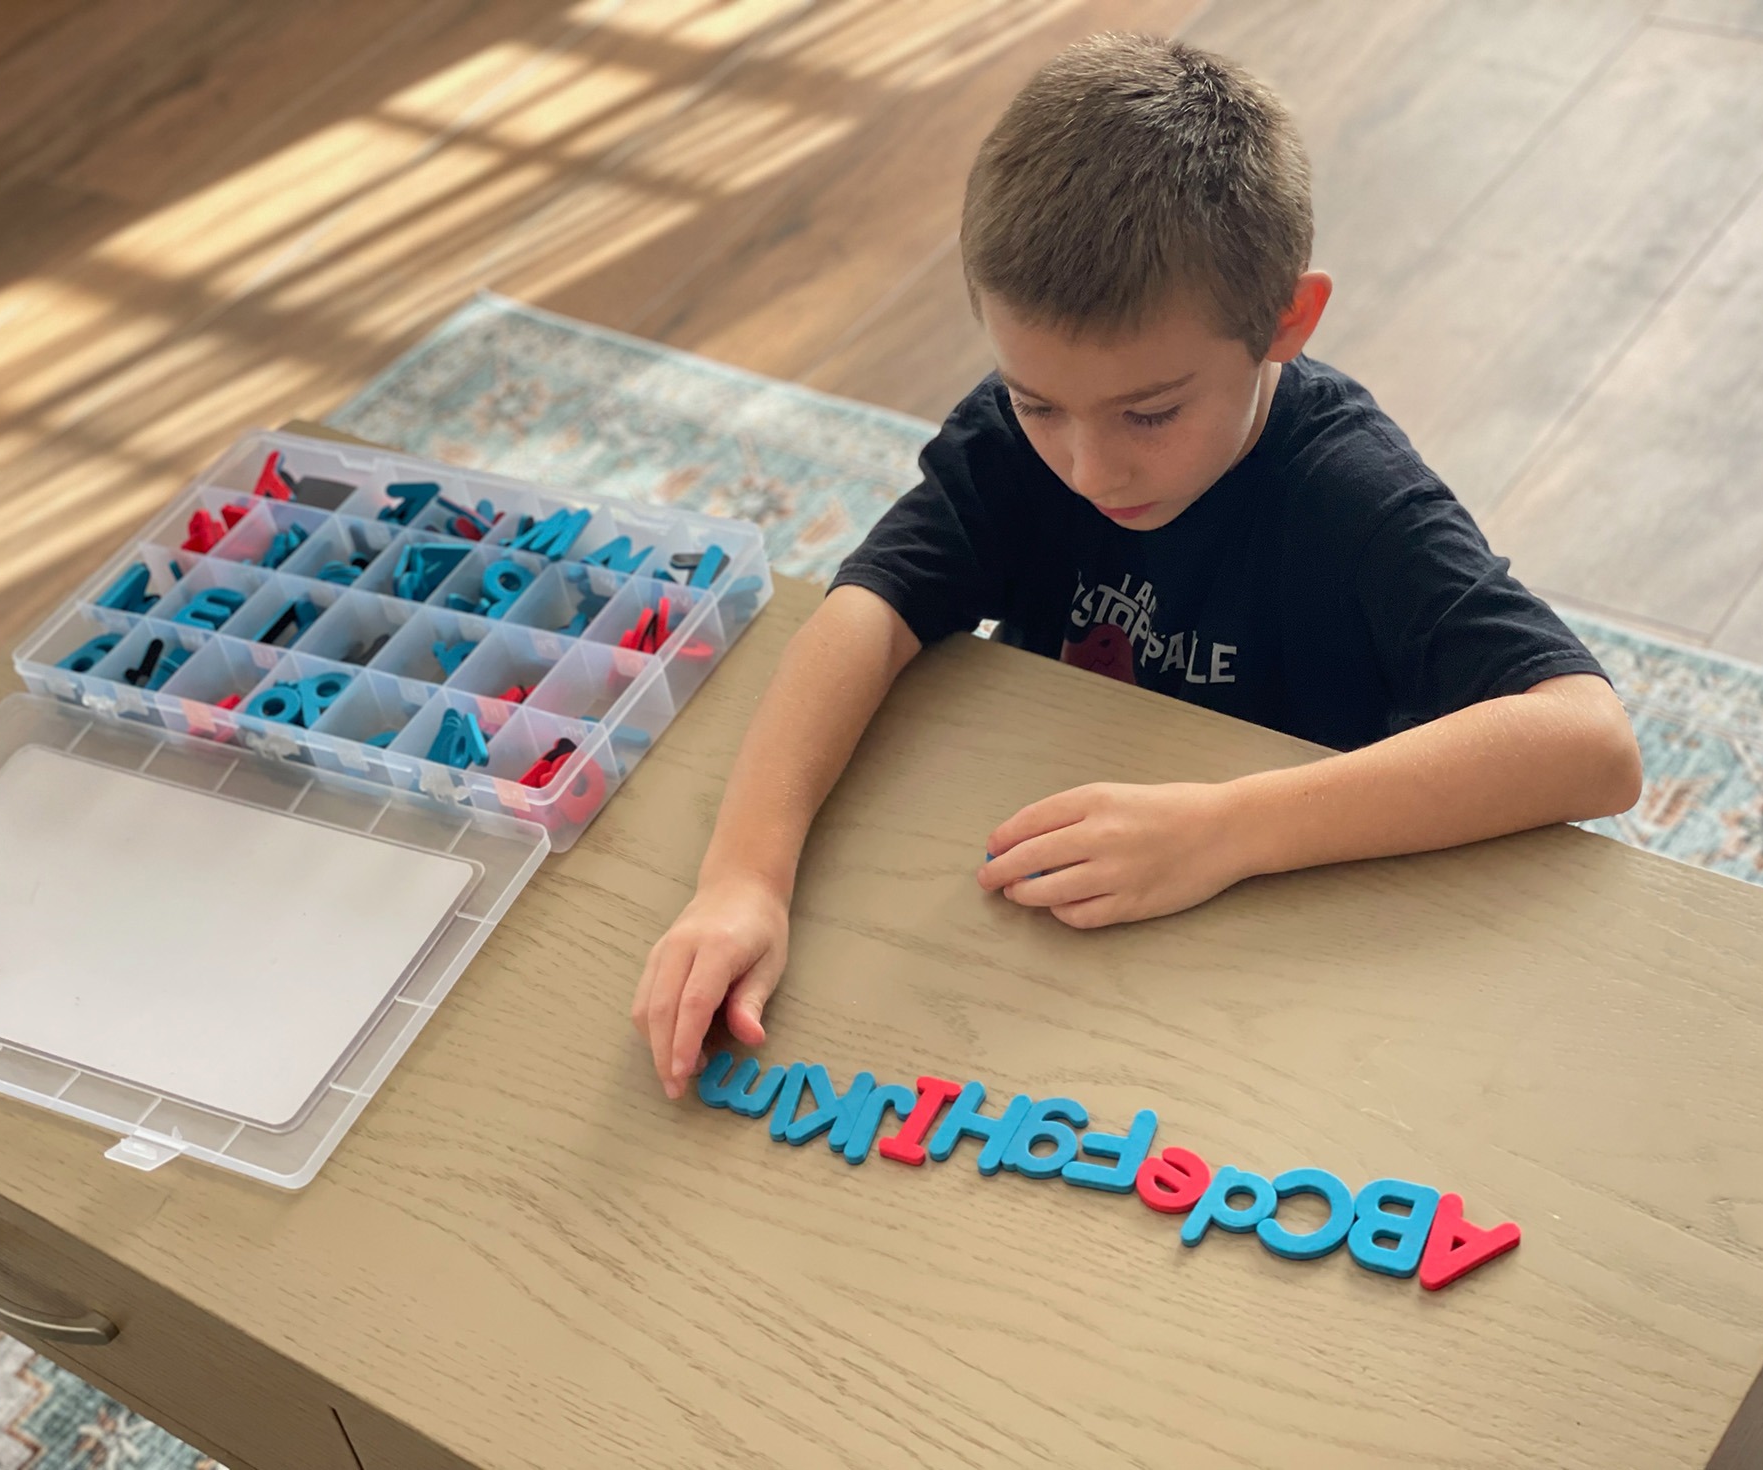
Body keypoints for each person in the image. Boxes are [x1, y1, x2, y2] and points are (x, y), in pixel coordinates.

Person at [632, 33, 1643, 1098]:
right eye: (1036, 402)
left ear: (1284, 322)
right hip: (1062, 922)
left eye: (1150, 412)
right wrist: (742, 878)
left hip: (1290, 934)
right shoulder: (1015, 444)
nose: (1086, 464)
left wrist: (1229, 827)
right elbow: (865, 611)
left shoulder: (1350, 492)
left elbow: (1588, 741)